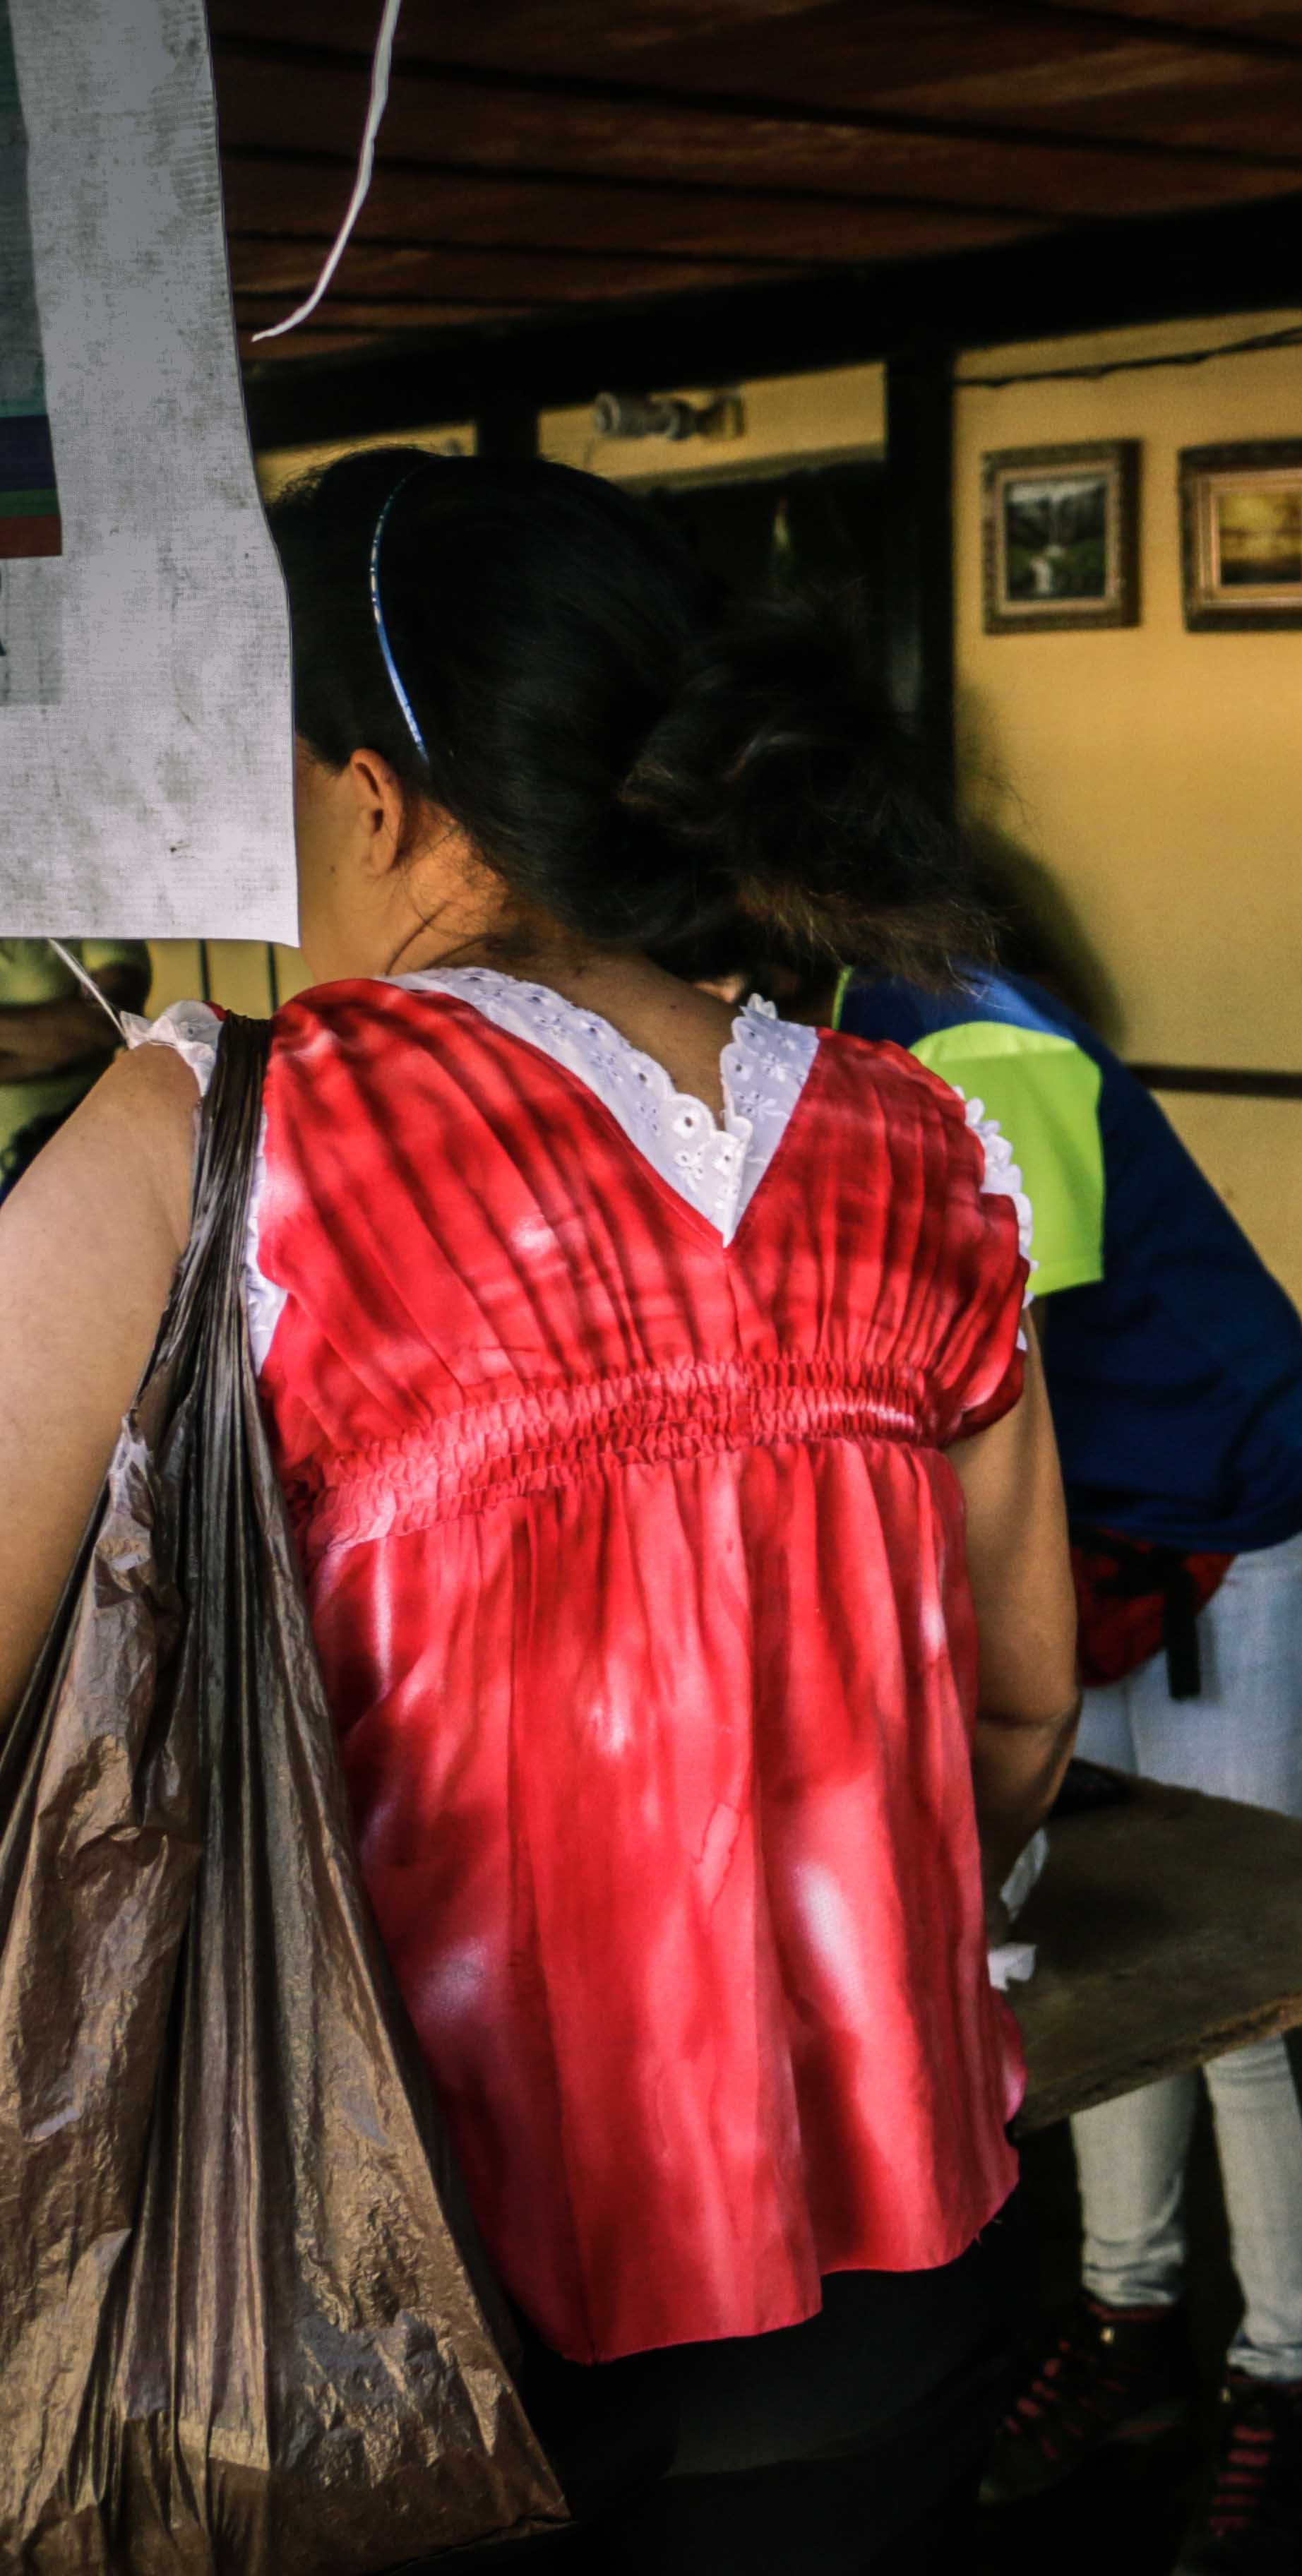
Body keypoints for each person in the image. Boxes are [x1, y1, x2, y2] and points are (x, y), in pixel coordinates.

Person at [0, 448, 1082, 2570]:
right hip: (886, 2297)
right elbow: (1023, 1717)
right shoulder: (919, 1145)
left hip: (386, 2335)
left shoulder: (222, 1134)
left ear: (374, 795)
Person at [818, 958, 1302, 2575]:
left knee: (1253, 1997)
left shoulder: (975, 1039)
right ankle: (1131, 2321)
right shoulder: (799, 1045)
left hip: (1226, 1532)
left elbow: (994, 1385)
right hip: (1087, 1538)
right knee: (1101, 1966)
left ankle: (1294, 2379)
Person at [0, 936, 147, 1191]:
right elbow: (87, 1031)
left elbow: (109, 1020)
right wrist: (56, 1044)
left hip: (73, 1154)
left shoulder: (80, 906)